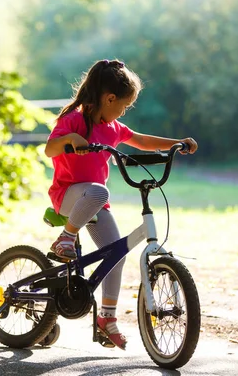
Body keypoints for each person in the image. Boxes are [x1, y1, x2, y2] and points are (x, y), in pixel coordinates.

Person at [44, 59, 198, 350]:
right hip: (68, 196)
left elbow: (140, 141)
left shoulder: (113, 127)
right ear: (109, 97)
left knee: (117, 253)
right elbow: (50, 148)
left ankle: (107, 319)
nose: (124, 111)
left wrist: (176, 143)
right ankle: (66, 236)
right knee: (100, 192)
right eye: (124, 105)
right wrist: (72, 139)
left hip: (94, 201)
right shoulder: (74, 120)